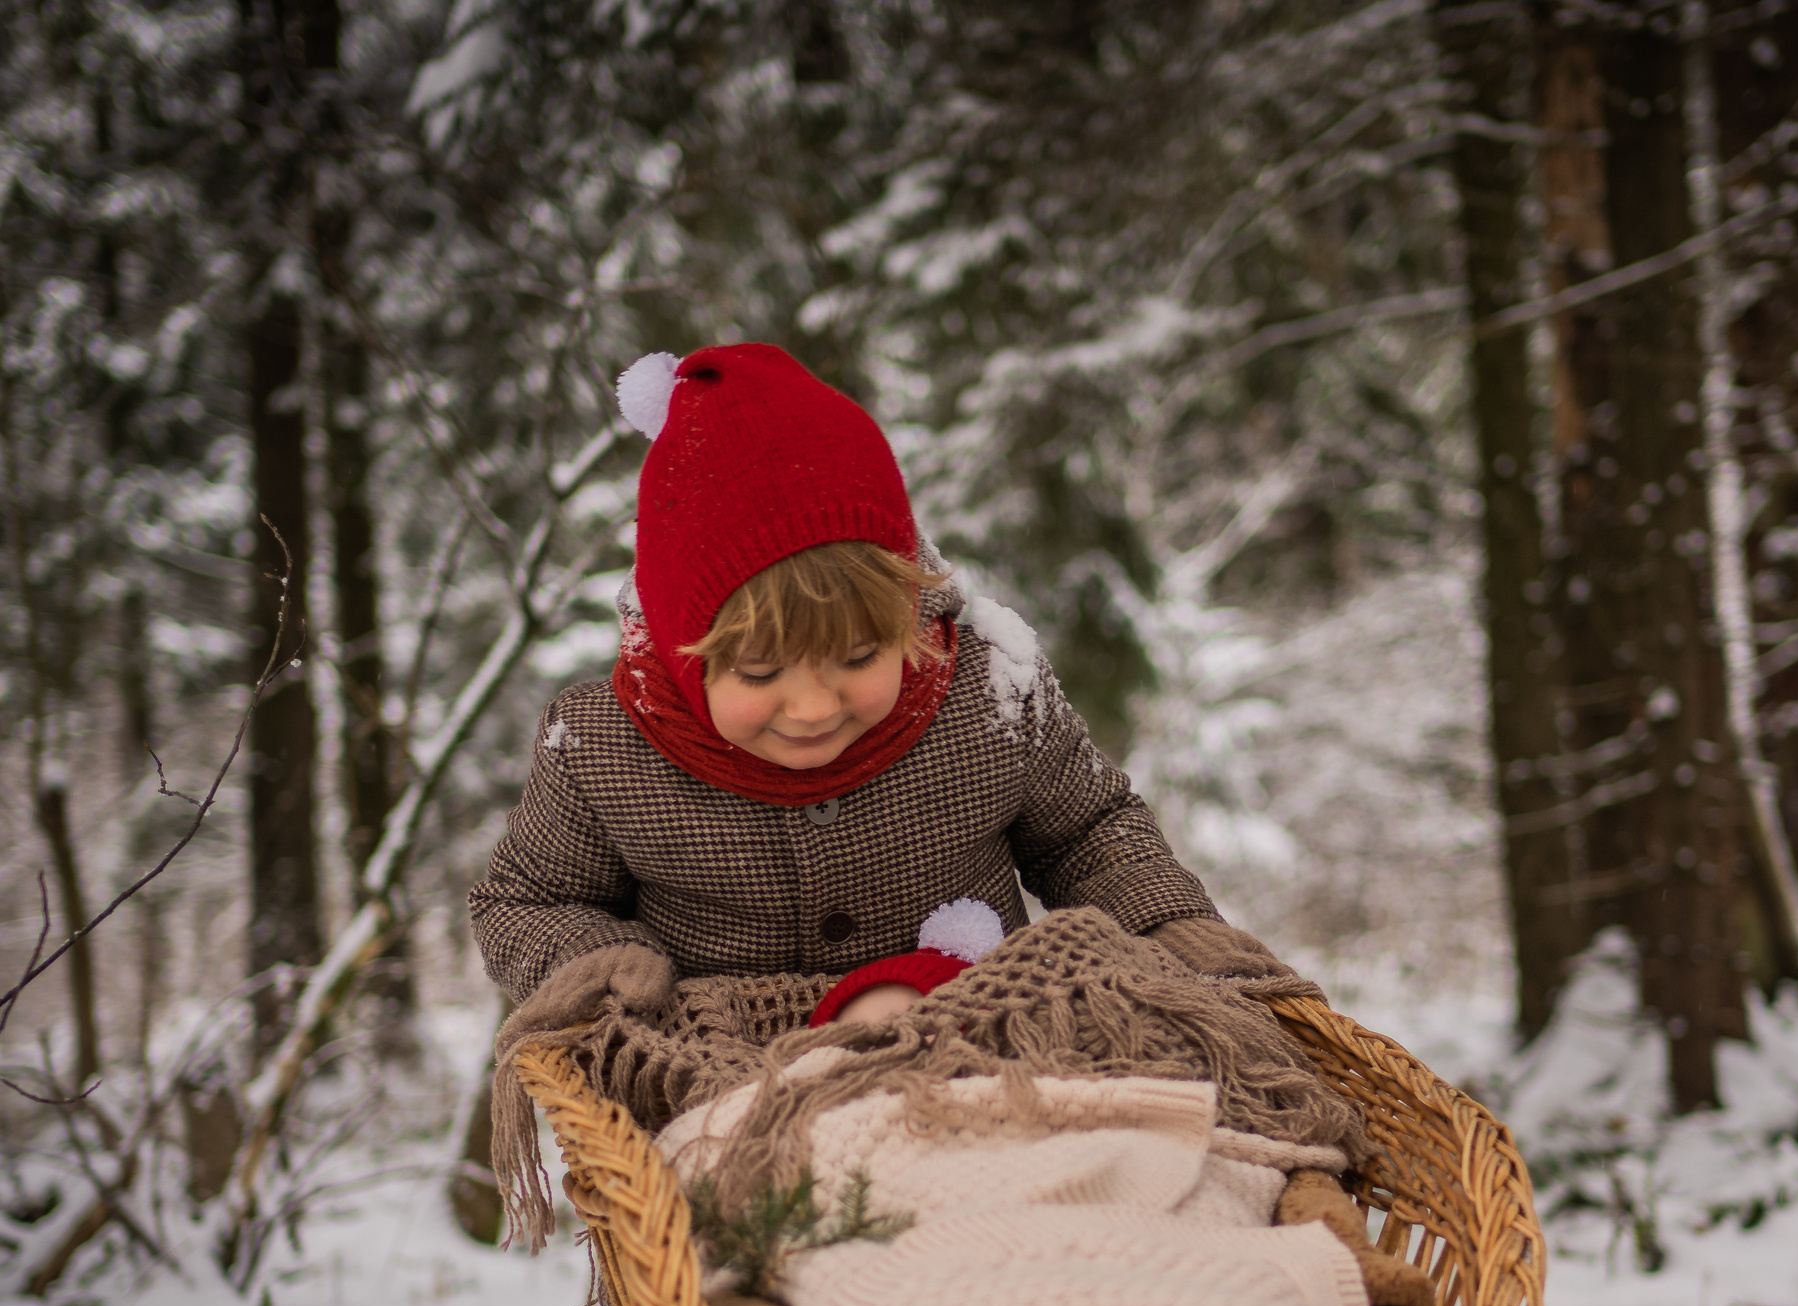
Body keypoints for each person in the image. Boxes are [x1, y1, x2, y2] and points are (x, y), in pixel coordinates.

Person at [469, 341, 1298, 1035]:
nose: (814, 707)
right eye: (761, 673)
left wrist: (1163, 921)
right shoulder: (603, 750)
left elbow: (1086, 833)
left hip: (981, 1044)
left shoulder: (986, 690)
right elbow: (524, 900)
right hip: (729, 1077)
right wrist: (595, 959)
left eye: (859, 656)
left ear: (905, 611)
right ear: (690, 654)